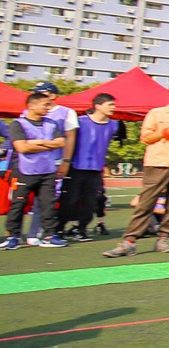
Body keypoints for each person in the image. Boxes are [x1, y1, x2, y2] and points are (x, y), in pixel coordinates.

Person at [103, 82, 169, 257]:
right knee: (146, 203)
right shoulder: (156, 113)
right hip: (157, 162)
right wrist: (165, 132)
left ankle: (163, 239)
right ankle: (129, 241)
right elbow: (146, 138)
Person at [4, 92, 68, 249]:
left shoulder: (51, 124)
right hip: (24, 171)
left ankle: (50, 235)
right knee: (18, 204)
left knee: (48, 204)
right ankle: (13, 237)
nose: (49, 108)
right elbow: (22, 147)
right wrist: (48, 144)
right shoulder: (18, 124)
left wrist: (36, 142)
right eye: (45, 104)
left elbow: (61, 143)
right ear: (31, 105)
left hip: (47, 171)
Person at [64, 93, 124, 242]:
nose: (114, 107)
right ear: (98, 106)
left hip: (96, 169)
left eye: (114, 104)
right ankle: (60, 228)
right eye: (110, 104)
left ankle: (82, 229)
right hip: (76, 167)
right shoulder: (80, 121)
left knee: (90, 202)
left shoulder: (115, 125)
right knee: (70, 200)